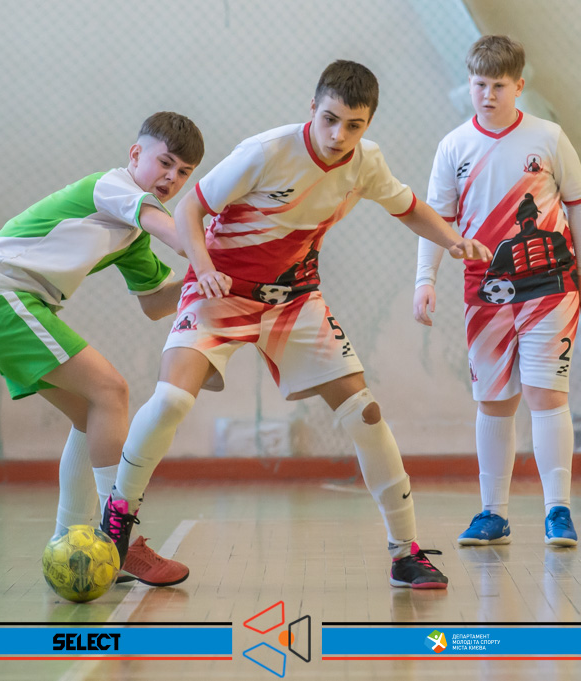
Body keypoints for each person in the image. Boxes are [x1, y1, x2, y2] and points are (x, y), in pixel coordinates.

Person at [104, 60, 492, 590]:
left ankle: (405, 552)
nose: (338, 136)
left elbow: (408, 208)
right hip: (222, 289)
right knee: (172, 400)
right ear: (313, 108)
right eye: (329, 119)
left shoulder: (366, 163)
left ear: (368, 123)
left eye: (353, 125)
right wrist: (205, 268)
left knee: (365, 412)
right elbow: (192, 208)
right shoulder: (267, 151)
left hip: (295, 300)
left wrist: (453, 240)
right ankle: (117, 525)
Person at [0, 112, 204, 586]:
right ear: (136, 154)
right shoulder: (111, 188)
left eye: (184, 172)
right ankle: (119, 540)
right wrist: (219, 251)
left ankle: (70, 546)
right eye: (165, 163)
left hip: (3, 302)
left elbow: (155, 303)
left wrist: (206, 281)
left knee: (92, 413)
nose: (172, 178)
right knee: (111, 391)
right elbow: (176, 236)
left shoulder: (132, 231)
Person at [413, 35, 581, 548]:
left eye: (498, 85)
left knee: (546, 395)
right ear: (469, 84)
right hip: (486, 294)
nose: (488, 95)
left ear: (519, 85)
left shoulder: (549, 137)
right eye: (480, 85)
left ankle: (558, 511)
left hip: (550, 291)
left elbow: (580, 203)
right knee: (494, 402)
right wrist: (425, 280)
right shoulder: (454, 146)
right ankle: (493, 514)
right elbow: (435, 220)